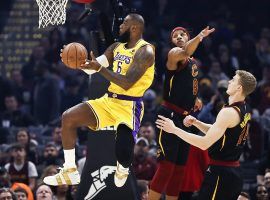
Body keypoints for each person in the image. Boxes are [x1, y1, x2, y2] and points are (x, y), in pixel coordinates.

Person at [43, 13, 155, 188]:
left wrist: (100, 68)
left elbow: (126, 82)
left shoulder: (145, 51)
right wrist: (76, 61)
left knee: (124, 153)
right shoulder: (116, 47)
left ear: (134, 28)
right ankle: (70, 171)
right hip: (108, 101)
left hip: (129, 105)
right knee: (68, 117)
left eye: (124, 23)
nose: (120, 26)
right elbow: (93, 68)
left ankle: (123, 167)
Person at [156, 70, 257, 199]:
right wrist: (197, 123)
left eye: (233, 80)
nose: (229, 82)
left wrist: (174, 129)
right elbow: (221, 132)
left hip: (221, 173)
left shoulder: (228, 112)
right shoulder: (244, 108)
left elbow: (204, 144)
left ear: (239, 87)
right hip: (232, 172)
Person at [149, 26, 215, 200]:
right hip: (168, 113)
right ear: (172, 41)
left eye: (182, 34)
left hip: (184, 117)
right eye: (175, 35)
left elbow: (186, 84)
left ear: (187, 36)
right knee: (166, 167)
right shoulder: (174, 54)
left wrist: (195, 98)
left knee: (179, 168)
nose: (179, 36)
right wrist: (200, 36)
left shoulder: (192, 62)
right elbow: (186, 51)